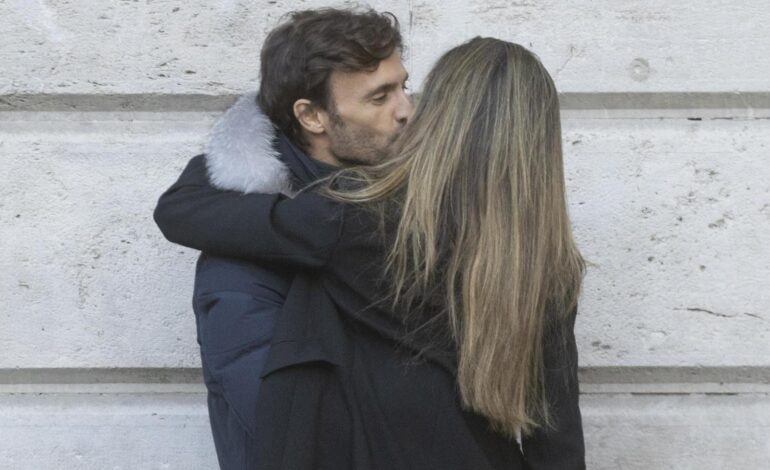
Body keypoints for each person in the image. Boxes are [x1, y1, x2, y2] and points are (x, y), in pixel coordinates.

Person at [155, 37, 586, 469]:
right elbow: (558, 435)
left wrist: (244, 134)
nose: (405, 110)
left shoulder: (356, 216)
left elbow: (184, 212)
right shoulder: (550, 265)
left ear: (441, 115)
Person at [181, 8, 411, 469]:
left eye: (404, 85)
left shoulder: (406, 207)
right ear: (311, 116)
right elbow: (286, 431)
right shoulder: (244, 262)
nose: (406, 109)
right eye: (380, 96)